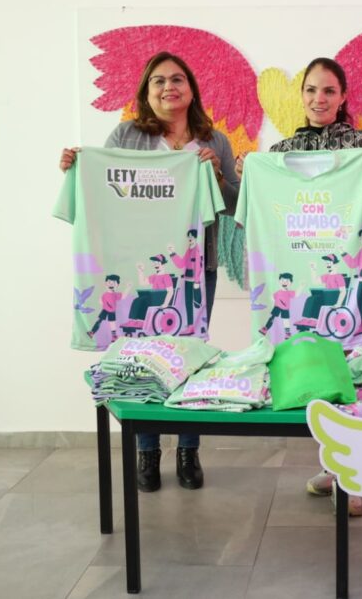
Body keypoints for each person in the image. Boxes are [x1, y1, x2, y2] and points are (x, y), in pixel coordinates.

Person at [60, 52, 239, 492]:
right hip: (136, 268)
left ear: (191, 89)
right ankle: (147, 450)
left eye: (177, 79)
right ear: (146, 91)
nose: (168, 87)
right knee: (141, 358)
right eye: (158, 81)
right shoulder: (127, 135)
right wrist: (76, 168)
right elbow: (103, 185)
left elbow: (236, 204)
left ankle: (188, 449)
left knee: (191, 355)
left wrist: (217, 177)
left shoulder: (213, 140)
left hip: (196, 267)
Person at [237, 57, 362, 516]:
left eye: (328, 90)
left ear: (343, 96)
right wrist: (248, 173)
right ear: (302, 95)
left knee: (350, 376)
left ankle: (352, 475)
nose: (318, 99)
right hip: (295, 288)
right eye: (311, 90)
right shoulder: (278, 154)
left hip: (346, 283)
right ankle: (332, 467)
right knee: (312, 374)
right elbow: (254, 214)